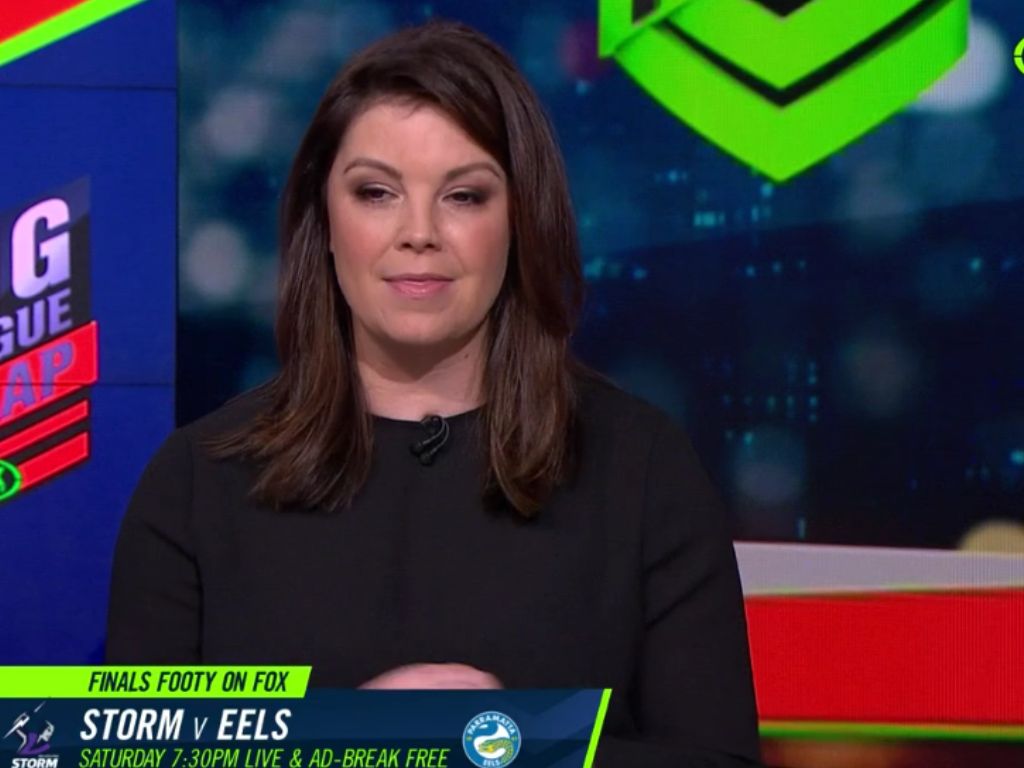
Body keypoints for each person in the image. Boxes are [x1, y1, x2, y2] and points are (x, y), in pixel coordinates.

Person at [107, 20, 762, 768]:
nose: (419, 233)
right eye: (376, 192)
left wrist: (504, 750)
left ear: (520, 219)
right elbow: (132, 756)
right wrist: (353, 744)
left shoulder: (640, 469)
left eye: (464, 196)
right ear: (325, 219)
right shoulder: (198, 483)